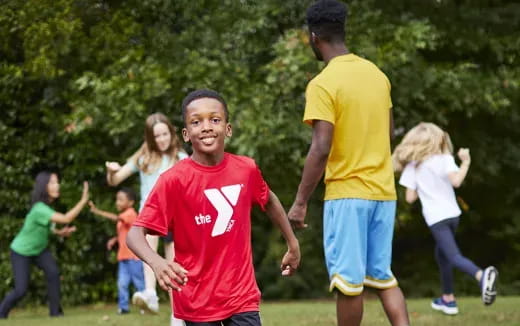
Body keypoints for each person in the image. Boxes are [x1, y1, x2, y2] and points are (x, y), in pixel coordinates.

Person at [126, 89, 301, 325]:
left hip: (241, 295)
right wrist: (158, 263)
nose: (206, 127)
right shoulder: (173, 180)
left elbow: (269, 200)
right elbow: (134, 234)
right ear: (187, 134)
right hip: (196, 298)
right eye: (197, 122)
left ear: (228, 129)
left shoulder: (246, 169)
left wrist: (292, 243)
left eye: (215, 119)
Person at [287, 1, 410, 325]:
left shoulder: (324, 83)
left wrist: (300, 202)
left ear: (314, 37)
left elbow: (321, 146)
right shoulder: (377, 76)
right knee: (383, 277)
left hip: (348, 195)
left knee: (348, 283)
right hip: (383, 193)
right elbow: (387, 133)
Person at [393, 122, 498, 315]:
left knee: (452, 256)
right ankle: (448, 299)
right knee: (442, 255)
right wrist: (465, 162)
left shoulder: (413, 166)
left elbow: (409, 198)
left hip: (436, 218)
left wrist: (421, 185)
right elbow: (456, 180)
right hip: (453, 215)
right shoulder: (444, 158)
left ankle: (482, 275)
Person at [105, 112, 187, 322]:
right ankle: (150, 292)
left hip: (174, 218)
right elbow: (115, 181)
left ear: (171, 133)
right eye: (156, 136)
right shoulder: (143, 159)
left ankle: (177, 313)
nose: (161, 140)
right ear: (150, 138)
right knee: (148, 248)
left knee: (173, 264)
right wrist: (111, 171)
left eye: (164, 134)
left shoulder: (181, 159)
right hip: (150, 215)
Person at [0, 171, 89, 318]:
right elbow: (66, 218)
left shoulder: (46, 209)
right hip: (21, 251)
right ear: (44, 187)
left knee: (53, 273)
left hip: (40, 250)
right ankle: (1, 312)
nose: (57, 185)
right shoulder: (39, 208)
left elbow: (46, 227)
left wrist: (61, 233)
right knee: (21, 289)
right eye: (53, 183)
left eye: (57, 182)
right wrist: (83, 201)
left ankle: (55, 313)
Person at [89, 187, 145, 315]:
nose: (117, 202)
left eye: (120, 200)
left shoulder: (130, 213)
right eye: (117, 199)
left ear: (130, 202)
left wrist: (97, 211)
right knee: (122, 283)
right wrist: (114, 239)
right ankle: (123, 308)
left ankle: (144, 306)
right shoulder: (124, 216)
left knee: (139, 283)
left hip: (134, 256)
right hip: (123, 256)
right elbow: (125, 232)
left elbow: (117, 218)